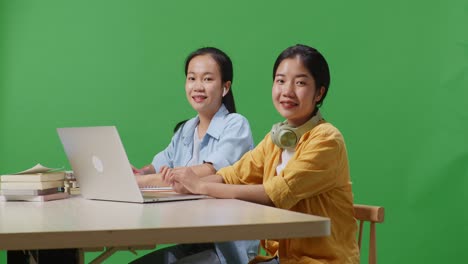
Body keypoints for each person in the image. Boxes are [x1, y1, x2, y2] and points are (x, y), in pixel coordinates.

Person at [166, 44, 360, 264]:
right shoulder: (276, 139)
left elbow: (275, 195)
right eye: (280, 80)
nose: (287, 91)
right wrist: (185, 185)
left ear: (319, 92)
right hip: (279, 259)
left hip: (320, 260)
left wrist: (200, 186)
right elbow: (233, 175)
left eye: (300, 82)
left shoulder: (326, 139)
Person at [131, 47, 259, 264]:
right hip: (191, 240)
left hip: (224, 247)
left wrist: (137, 182)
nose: (197, 86)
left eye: (207, 79)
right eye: (192, 78)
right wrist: (140, 171)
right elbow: (159, 164)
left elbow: (209, 170)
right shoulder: (186, 129)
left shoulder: (236, 125)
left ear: (225, 87)